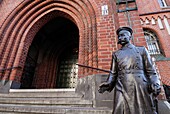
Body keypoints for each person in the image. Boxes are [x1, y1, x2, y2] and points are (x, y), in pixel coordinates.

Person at [98, 27, 161, 114]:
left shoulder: (141, 50)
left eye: (123, 35)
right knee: (119, 109)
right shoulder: (116, 54)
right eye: (119, 36)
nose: (120, 38)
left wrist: (155, 83)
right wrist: (108, 83)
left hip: (139, 84)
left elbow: (151, 71)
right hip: (121, 84)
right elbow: (113, 72)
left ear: (130, 36)